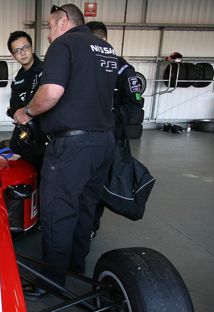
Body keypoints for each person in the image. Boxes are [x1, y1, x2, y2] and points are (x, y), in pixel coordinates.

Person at [13, 4, 117, 290]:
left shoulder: (64, 44)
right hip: (104, 142)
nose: (48, 36)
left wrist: (27, 112)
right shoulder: (105, 48)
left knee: (58, 210)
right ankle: (75, 267)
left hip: (73, 146)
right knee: (85, 207)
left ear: (63, 21)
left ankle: (51, 280)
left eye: (49, 27)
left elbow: (51, 93)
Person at [87, 21, 145, 238]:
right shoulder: (84, 67)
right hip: (83, 137)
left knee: (99, 184)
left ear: (101, 42)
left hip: (110, 137)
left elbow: (135, 105)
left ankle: (91, 226)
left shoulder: (123, 69)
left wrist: (109, 115)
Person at [5, 31, 45, 171]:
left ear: (32, 47)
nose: (22, 53)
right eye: (17, 50)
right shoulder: (17, 79)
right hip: (24, 132)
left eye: (25, 47)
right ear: (13, 55)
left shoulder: (45, 70)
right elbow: (14, 104)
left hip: (44, 135)